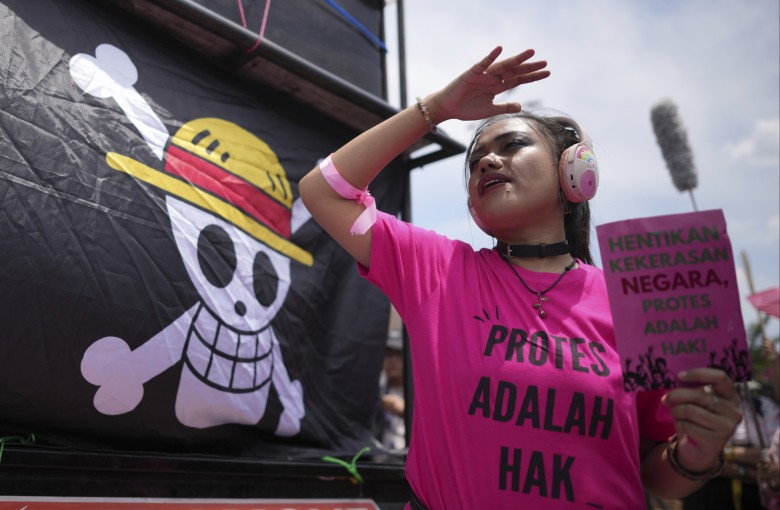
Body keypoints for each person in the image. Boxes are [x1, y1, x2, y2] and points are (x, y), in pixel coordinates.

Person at [299, 46, 742, 509]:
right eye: (474, 162)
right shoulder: (437, 269)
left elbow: (654, 471)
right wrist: (437, 110)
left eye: (512, 145)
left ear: (573, 171)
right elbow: (324, 190)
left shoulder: (635, 301)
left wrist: (698, 452)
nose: (487, 162)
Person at [375, 329, 407, 451]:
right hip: (379, 457)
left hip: (406, 456)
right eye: (389, 355)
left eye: (398, 355)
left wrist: (404, 410)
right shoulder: (377, 385)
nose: (393, 361)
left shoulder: (418, 390)